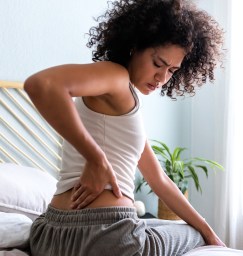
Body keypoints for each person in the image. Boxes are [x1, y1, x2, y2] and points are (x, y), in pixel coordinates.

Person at [24, 0, 225, 255]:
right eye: (158, 63)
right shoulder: (116, 75)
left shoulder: (122, 105)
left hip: (50, 235)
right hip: (109, 234)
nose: (162, 78)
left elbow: (159, 180)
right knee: (191, 234)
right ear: (134, 46)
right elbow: (40, 84)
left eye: (172, 71)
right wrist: (96, 160)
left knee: (180, 227)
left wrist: (210, 232)